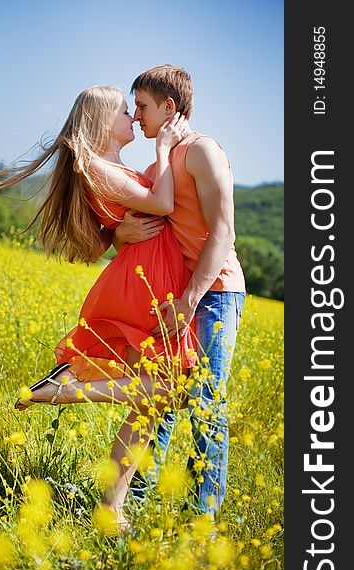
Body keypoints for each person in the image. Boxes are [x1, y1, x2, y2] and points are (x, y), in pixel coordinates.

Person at [0, 85, 194, 531]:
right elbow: (163, 204)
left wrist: (117, 234)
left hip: (150, 274)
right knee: (162, 391)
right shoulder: (94, 164)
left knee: (151, 403)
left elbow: (130, 213)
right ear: (99, 121)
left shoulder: (108, 164)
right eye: (123, 111)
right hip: (143, 282)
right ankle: (57, 391)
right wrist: (166, 145)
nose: (132, 118)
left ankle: (111, 508)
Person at [113, 65, 246, 519]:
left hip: (214, 293)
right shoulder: (161, 162)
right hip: (177, 298)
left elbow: (224, 231)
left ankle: (201, 521)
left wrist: (190, 299)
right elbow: (145, 217)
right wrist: (120, 235)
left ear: (170, 107)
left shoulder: (203, 151)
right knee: (161, 399)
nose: (135, 115)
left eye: (143, 106)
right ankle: (140, 504)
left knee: (205, 403)